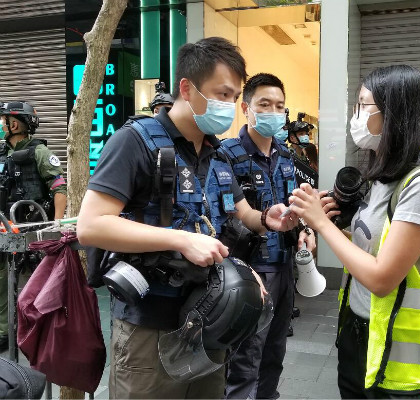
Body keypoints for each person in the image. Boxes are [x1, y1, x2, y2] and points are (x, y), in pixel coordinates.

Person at [77, 38, 299, 399]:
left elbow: (240, 214)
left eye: (233, 96)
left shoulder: (216, 152)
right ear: (186, 88)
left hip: (208, 320)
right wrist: (179, 239)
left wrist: (267, 219)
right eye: (222, 94)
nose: (228, 105)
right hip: (150, 322)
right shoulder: (135, 142)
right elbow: (91, 226)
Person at [290, 65, 420, 398]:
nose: (357, 116)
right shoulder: (384, 177)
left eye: (364, 106)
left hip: (401, 359)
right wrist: (325, 224)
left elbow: (382, 278)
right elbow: (372, 251)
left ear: (395, 114)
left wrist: (322, 224)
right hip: (360, 331)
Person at [221, 73, 315, 400]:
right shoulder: (225, 155)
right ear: (246, 108)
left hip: (284, 266)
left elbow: (296, 206)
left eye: (279, 106)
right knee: (245, 358)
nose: (273, 112)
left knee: (275, 351)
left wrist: (305, 231)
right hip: (248, 271)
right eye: (264, 104)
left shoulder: (286, 156)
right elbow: (225, 216)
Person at [0, 101, 67, 352]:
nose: (2, 124)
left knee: (36, 284)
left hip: (32, 230)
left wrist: (55, 225)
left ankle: (40, 332)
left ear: (15, 124)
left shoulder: (39, 152)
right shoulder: (2, 153)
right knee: (2, 280)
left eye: (4, 120)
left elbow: (59, 188)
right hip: (5, 228)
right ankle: (5, 331)